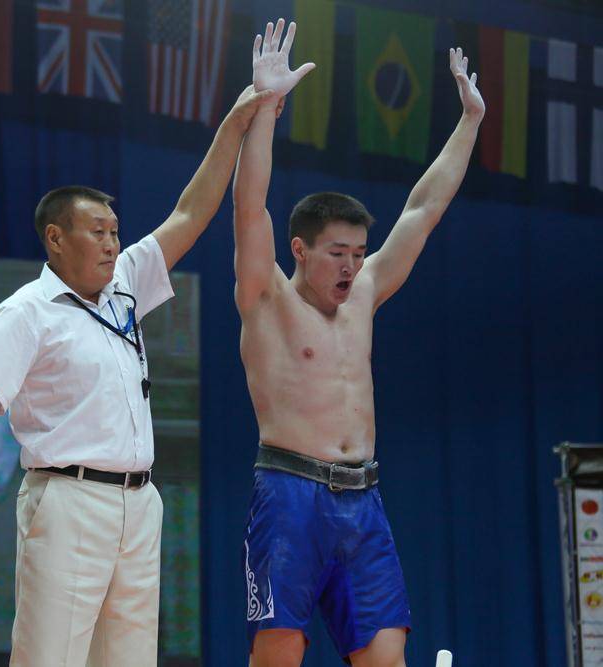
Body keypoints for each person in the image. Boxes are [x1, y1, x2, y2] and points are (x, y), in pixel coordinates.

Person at [0, 35, 301, 664]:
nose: (113, 244)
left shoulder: (126, 284)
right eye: (98, 232)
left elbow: (191, 212)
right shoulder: (26, 312)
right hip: (67, 500)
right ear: (55, 239)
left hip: (140, 503)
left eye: (116, 232)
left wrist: (242, 113)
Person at [233, 19, 484, 667]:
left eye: (358, 252)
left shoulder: (365, 292)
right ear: (299, 250)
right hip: (289, 496)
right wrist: (265, 110)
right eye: (336, 253)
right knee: (278, 657)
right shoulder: (267, 298)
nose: (351, 266)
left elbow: (423, 209)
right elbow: (250, 206)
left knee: (386, 659)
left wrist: (470, 122)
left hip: (363, 500)